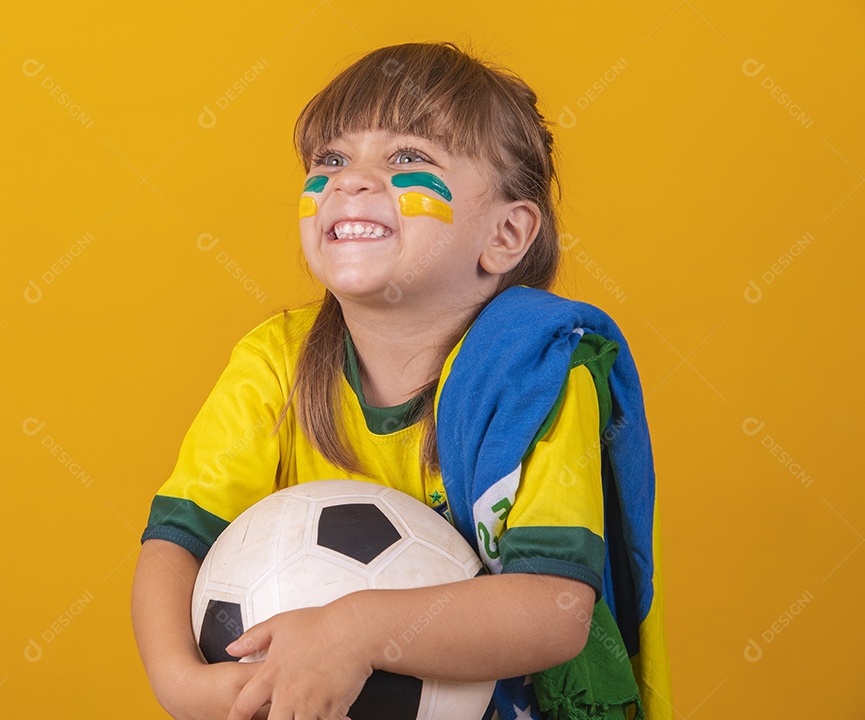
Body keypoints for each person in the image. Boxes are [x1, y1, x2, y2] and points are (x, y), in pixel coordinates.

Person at [131, 41, 670, 720]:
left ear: (506, 235)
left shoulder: (536, 371)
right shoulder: (276, 362)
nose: (349, 180)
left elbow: (553, 608)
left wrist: (354, 630)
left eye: (409, 158)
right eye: (330, 159)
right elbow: (177, 542)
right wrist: (182, 683)